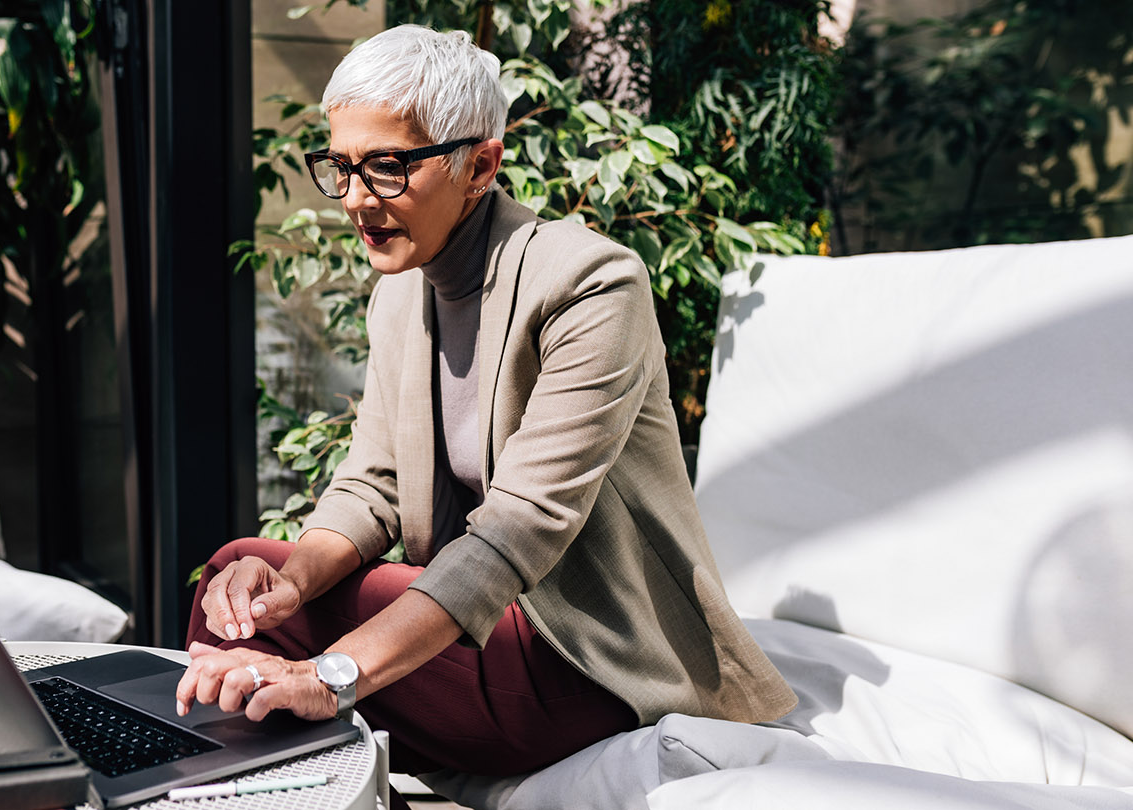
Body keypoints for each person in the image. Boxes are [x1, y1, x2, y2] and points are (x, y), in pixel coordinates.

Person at [176, 24, 796, 779]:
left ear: (481, 166)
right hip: (478, 628)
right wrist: (292, 582)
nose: (357, 200)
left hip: (584, 656)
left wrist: (332, 674)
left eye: (388, 168)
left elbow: (517, 532)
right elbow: (374, 487)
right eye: (340, 168)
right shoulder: (400, 293)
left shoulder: (590, 286)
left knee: (257, 627)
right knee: (238, 582)